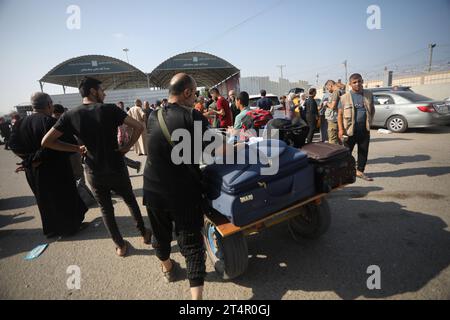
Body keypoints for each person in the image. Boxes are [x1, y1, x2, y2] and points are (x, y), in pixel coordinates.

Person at [144, 73, 233, 300]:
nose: (195, 98)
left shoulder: (153, 116)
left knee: (161, 235)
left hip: (152, 189)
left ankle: (167, 268)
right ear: (187, 93)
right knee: (192, 244)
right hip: (183, 191)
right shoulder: (192, 116)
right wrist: (239, 145)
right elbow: (218, 150)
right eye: (194, 93)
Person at [42, 77, 151, 256]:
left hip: (93, 170)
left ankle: (120, 246)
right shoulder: (109, 109)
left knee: (106, 209)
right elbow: (139, 126)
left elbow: (46, 141)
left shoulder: (70, 115)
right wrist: (126, 147)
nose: (104, 93)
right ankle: (145, 234)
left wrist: (76, 148)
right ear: (93, 91)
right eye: (102, 90)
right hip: (116, 165)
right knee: (130, 200)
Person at [9, 92, 87, 238]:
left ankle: (52, 230)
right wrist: (77, 149)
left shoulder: (20, 123)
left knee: (44, 200)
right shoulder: (50, 122)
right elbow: (66, 143)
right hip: (55, 168)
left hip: (34, 170)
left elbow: (13, 145)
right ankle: (69, 228)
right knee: (64, 197)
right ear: (49, 104)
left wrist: (29, 159)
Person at [338, 73, 375, 181]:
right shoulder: (344, 98)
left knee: (363, 152)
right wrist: (340, 129)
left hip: (364, 130)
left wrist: (369, 122)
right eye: (354, 82)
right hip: (350, 130)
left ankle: (360, 171)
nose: (357, 83)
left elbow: (372, 110)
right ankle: (345, 172)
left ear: (362, 81)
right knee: (346, 153)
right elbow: (339, 114)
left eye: (359, 81)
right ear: (350, 84)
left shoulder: (368, 94)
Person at [117, 102, 142, 173]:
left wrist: (121, 139)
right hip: (124, 138)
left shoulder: (121, 116)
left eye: (121, 106)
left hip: (122, 139)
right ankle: (135, 165)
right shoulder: (125, 115)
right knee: (120, 157)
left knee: (120, 157)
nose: (120, 107)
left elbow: (122, 130)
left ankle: (135, 165)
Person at [324, 80, 340, 145]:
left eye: (327, 88)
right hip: (335, 118)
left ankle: (334, 154)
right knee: (336, 138)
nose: (327, 90)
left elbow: (333, 106)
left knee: (332, 140)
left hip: (333, 119)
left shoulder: (335, 92)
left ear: (330, 85)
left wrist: (326, 103)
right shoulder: (338, 92)